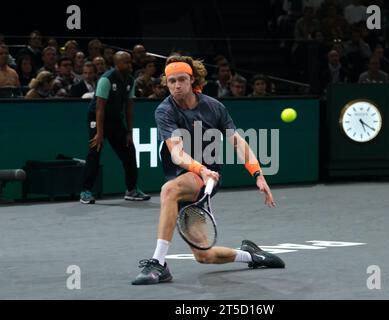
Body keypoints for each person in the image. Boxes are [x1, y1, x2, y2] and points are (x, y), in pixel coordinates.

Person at [132, 56, 284, 285]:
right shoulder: (164, 111)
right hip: (192, 173)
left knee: (168, 190)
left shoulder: (214, 107)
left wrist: (258, 174)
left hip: (208, 178)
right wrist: (199, 168)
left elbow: (238, 143)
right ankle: (251, 254)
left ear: (192, 80)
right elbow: (176, 152)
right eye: (171, 81)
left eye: (182, 79)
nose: (176, 85)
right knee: (203, 255)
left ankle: (158, 263)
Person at [80, 52, 150, 204]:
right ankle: (86, 191)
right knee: (95, 151)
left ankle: (131, 190)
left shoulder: (130, 80)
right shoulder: (106, 79)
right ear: (117, 64)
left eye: (130, 62)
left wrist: (129, 131)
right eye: (126, 63)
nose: (130, 65)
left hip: (115, 120)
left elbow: (129, 108)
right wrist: (99, 133)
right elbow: (100, 108)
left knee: (130, 151)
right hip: (97, 118)